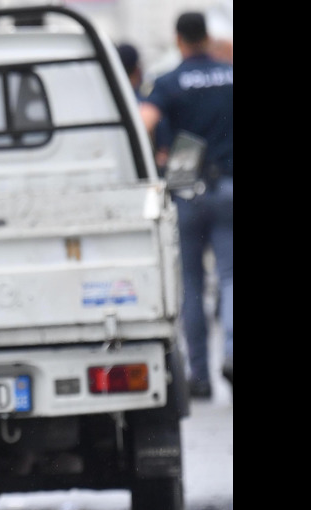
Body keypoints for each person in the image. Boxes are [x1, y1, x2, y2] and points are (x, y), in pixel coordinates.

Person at [139, 12, 233, 399]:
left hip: (187, 190)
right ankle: (230, 352)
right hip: (229, 188)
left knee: (192, 286)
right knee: (229, 276)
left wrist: (152, 164)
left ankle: (200, 376)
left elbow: (146, 120)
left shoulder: (167, 82)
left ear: (179, 40)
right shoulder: (230, 74)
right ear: (207, 37)